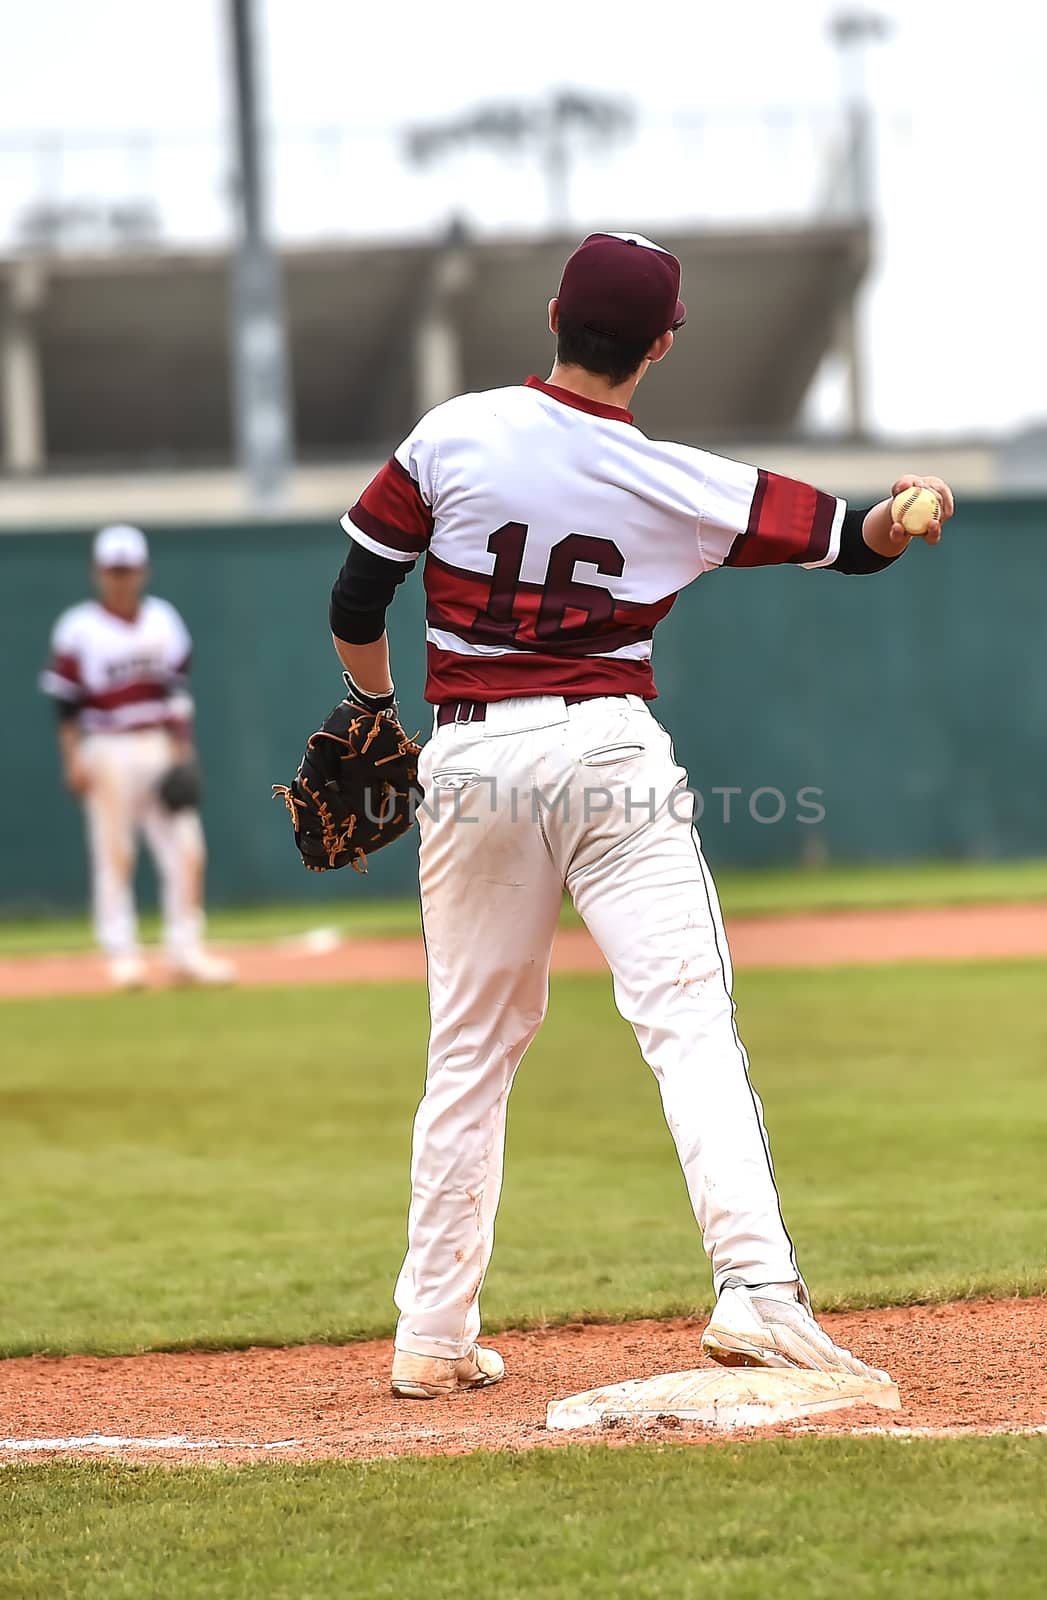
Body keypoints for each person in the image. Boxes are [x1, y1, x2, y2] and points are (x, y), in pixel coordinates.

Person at [327, 232, 954, 1399]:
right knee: (685, 1020)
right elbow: (850, 544)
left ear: (556, 314)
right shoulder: (678, 481)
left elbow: (358, 590)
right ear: (662, 344)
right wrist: (903, 513)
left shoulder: (453, 433)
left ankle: (431, 1330)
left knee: (469, 1049)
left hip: (469, 756)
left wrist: (373, 711)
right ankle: (758, 1291)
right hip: (608, 746)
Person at [40, 523, 234, 989]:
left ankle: (185, 951)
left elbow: (176, 691)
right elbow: (66, 705)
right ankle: (122, 955)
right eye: (113, 570)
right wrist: (72, 759)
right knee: (115, 853)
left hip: (159, 743)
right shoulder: (78, 628)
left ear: (143, 571)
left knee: (187, 850)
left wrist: (183, 747)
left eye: (127, 570)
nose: (121, 579)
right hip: (107, 746)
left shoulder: (162, 620)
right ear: (98, 573)